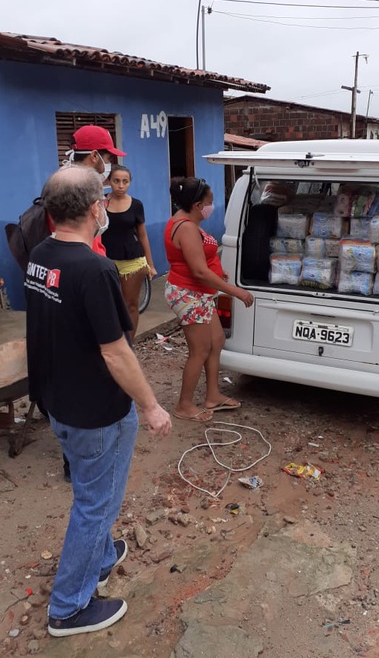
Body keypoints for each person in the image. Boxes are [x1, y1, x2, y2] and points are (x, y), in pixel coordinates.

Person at [24, 166, 171, 637]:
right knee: (96, 504)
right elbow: (116, 351)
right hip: (95, 411)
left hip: (59, 401)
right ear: (95, 209)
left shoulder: (41, 255)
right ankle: (68, 608)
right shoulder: (95, 268)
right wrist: (151, 406)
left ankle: (102, 557)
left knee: (92, 492)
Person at [164, 176, 254, 422]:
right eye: (209, 202)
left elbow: (201, 260)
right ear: (197, 205)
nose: (211, 207)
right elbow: (199, 271)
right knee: (200, 350)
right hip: (189, 293)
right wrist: (234, 291)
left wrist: (217, 272)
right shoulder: (186, 228)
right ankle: (184, 405)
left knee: (216, 340)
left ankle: (212, 395)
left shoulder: (188, 220)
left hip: (199, 293)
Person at [102, 165, 156, 342]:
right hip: (105, 260)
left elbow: (142, 235)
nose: (120, 186)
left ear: (130, 183)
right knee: (109, 305)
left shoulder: (136, 205)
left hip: (132, 260)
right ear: (109, 181)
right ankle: (111, 342)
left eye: (125, 182)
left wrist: (150, 264)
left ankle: (128, 344)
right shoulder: (100, 203)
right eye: (116, 181)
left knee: (130, 305)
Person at [64, 125, 127, 255]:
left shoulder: (64, 183)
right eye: (108, 158)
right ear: (94, 156)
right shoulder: (79, 190)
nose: (109, 164)